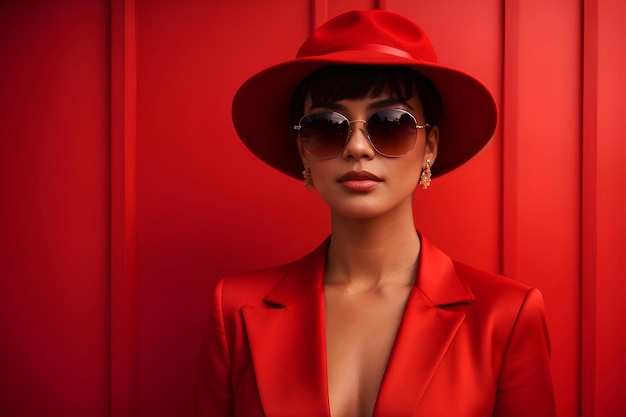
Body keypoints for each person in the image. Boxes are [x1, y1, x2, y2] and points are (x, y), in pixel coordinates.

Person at [194, 9, 556, 417]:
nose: (358, 147)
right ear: (302, 149)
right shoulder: (236, 309)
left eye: (390, 122)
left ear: (430, 146)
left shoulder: (505, 316)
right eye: (328, 125)